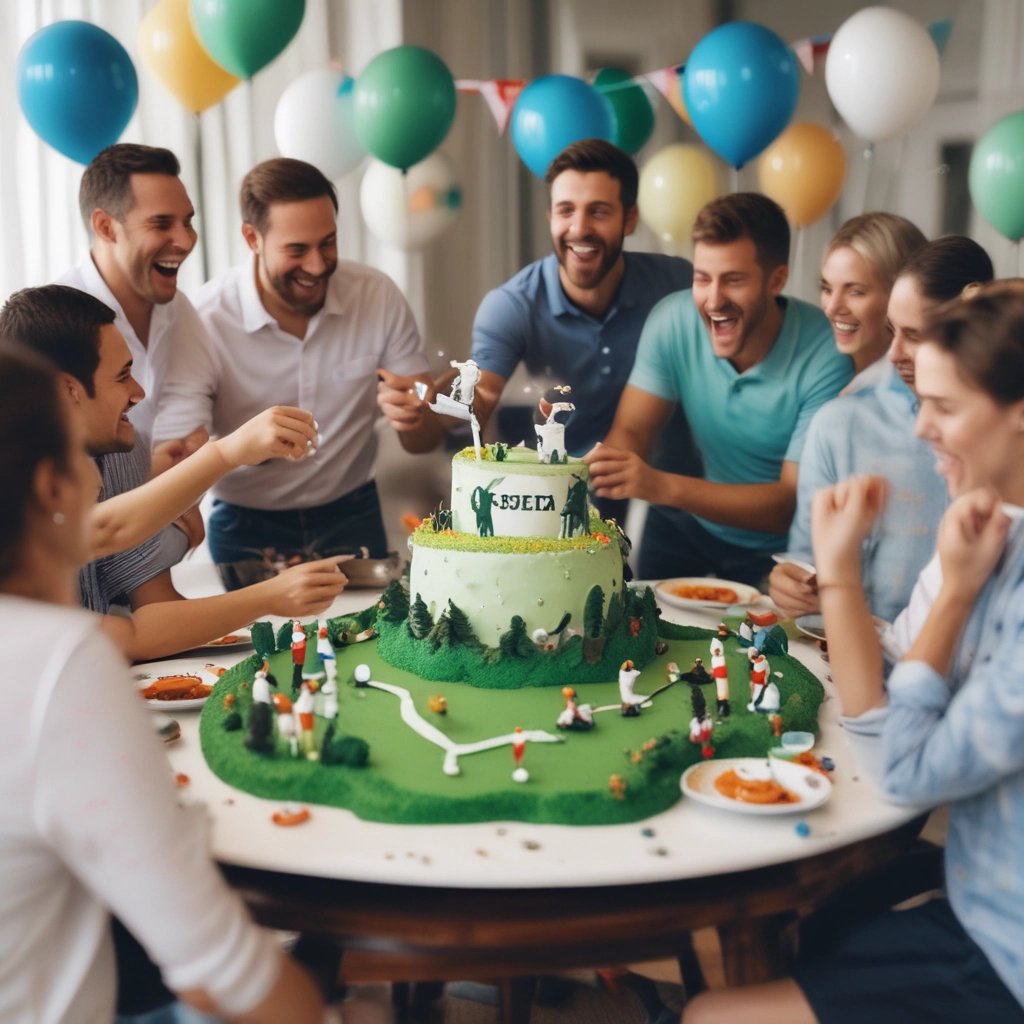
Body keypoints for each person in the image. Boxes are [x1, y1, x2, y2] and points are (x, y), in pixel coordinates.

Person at [682, 287, 1024, 1024]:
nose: (922, 426)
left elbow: (905, 768)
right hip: (975, 897)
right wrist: (838, 574)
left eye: (945, 406)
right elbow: (886, 716)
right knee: (807, 931)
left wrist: (950, 594)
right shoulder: (991, 530)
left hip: (1006, 951)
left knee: (709, 1015)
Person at [0, 346, 334, 1024]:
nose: (99, 485)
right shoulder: (56, 661)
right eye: (78, 459)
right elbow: (222, 973)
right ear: (52, 486)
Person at [0, 284, 349, 661]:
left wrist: (271, 596)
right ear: (68, 390)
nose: (139, 392)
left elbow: (138, 622)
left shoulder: (121, 452)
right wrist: (226, 452)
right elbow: (102, 531)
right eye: (122, 376)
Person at [153, 157, 442, 584]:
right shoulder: (204, 320)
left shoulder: (377, 296)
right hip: (246, 525)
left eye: (328, 243)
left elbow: (425, 440)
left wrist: (415, 416)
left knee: (373, 626)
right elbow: (181, 451)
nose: (317, 265)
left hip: (353, 512)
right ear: (252, 238)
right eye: (296, 250)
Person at [586, 192, 853, 585]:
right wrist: (598, 473)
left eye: (733, 280)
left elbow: (788, 504)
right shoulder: (672, 320)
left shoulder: (826, 353)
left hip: (776, 549)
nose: (713, 300)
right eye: (702, 278)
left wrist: (659, 484)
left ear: (776, 280)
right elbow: (632, 431)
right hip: (686, 523)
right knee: (644, 616)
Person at [772, 236, 994, 623]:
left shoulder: (1000, 449)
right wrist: (795, 584)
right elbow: (807, 566)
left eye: (916, 335)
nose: (893, 354)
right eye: (892, 331)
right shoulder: (839, 423)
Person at [59, 142, 213, 558]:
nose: (185, 240)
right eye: (162, 223)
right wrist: (161, 486)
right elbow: (54, 497)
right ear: (106, 227)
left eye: (188, 221)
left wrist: (167, 483)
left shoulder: (180, 311)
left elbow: (189, 446)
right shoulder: (52, 325)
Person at [818, 212, 927, 387]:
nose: (831, 308)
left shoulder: (915, 391)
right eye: (827, 289)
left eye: (855, 292)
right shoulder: (823, 368)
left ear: (899, 294)